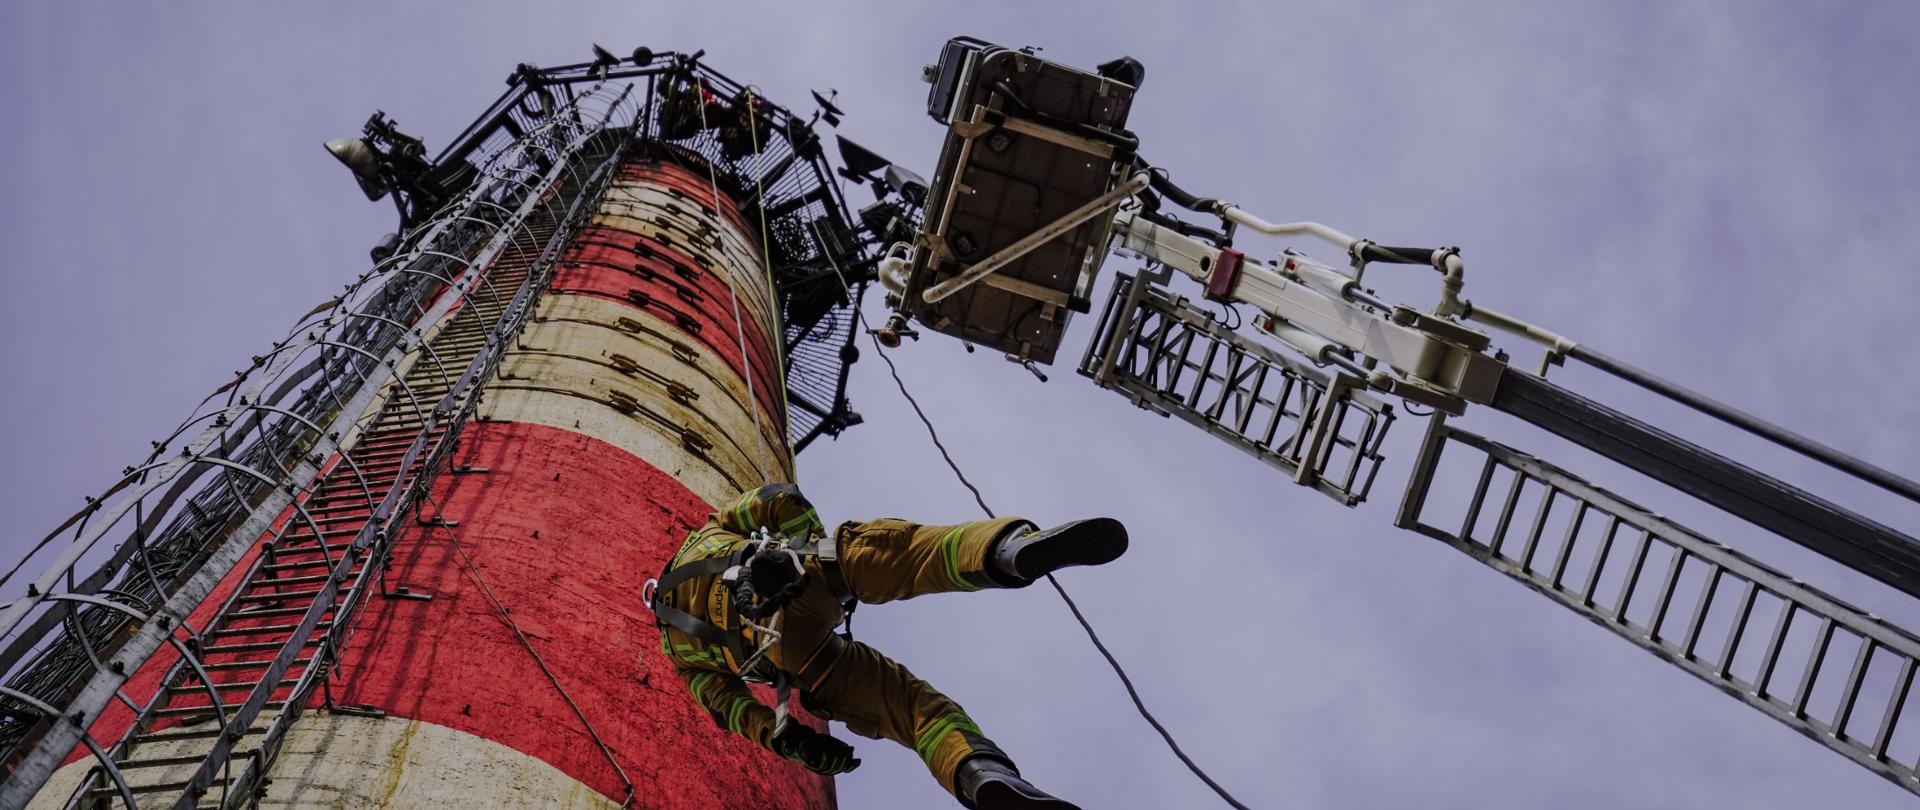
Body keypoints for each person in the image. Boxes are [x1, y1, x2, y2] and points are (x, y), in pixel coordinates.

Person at [650, 483, 1128, 809]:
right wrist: (805, 546)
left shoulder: (677, 652)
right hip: (802, 577)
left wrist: (790, 740)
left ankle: (979, 775)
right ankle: (1008, 551)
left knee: (914, 710)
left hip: (793, 658)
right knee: (916, 553)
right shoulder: (708, 532)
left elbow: (730, 711)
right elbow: (779, 498)